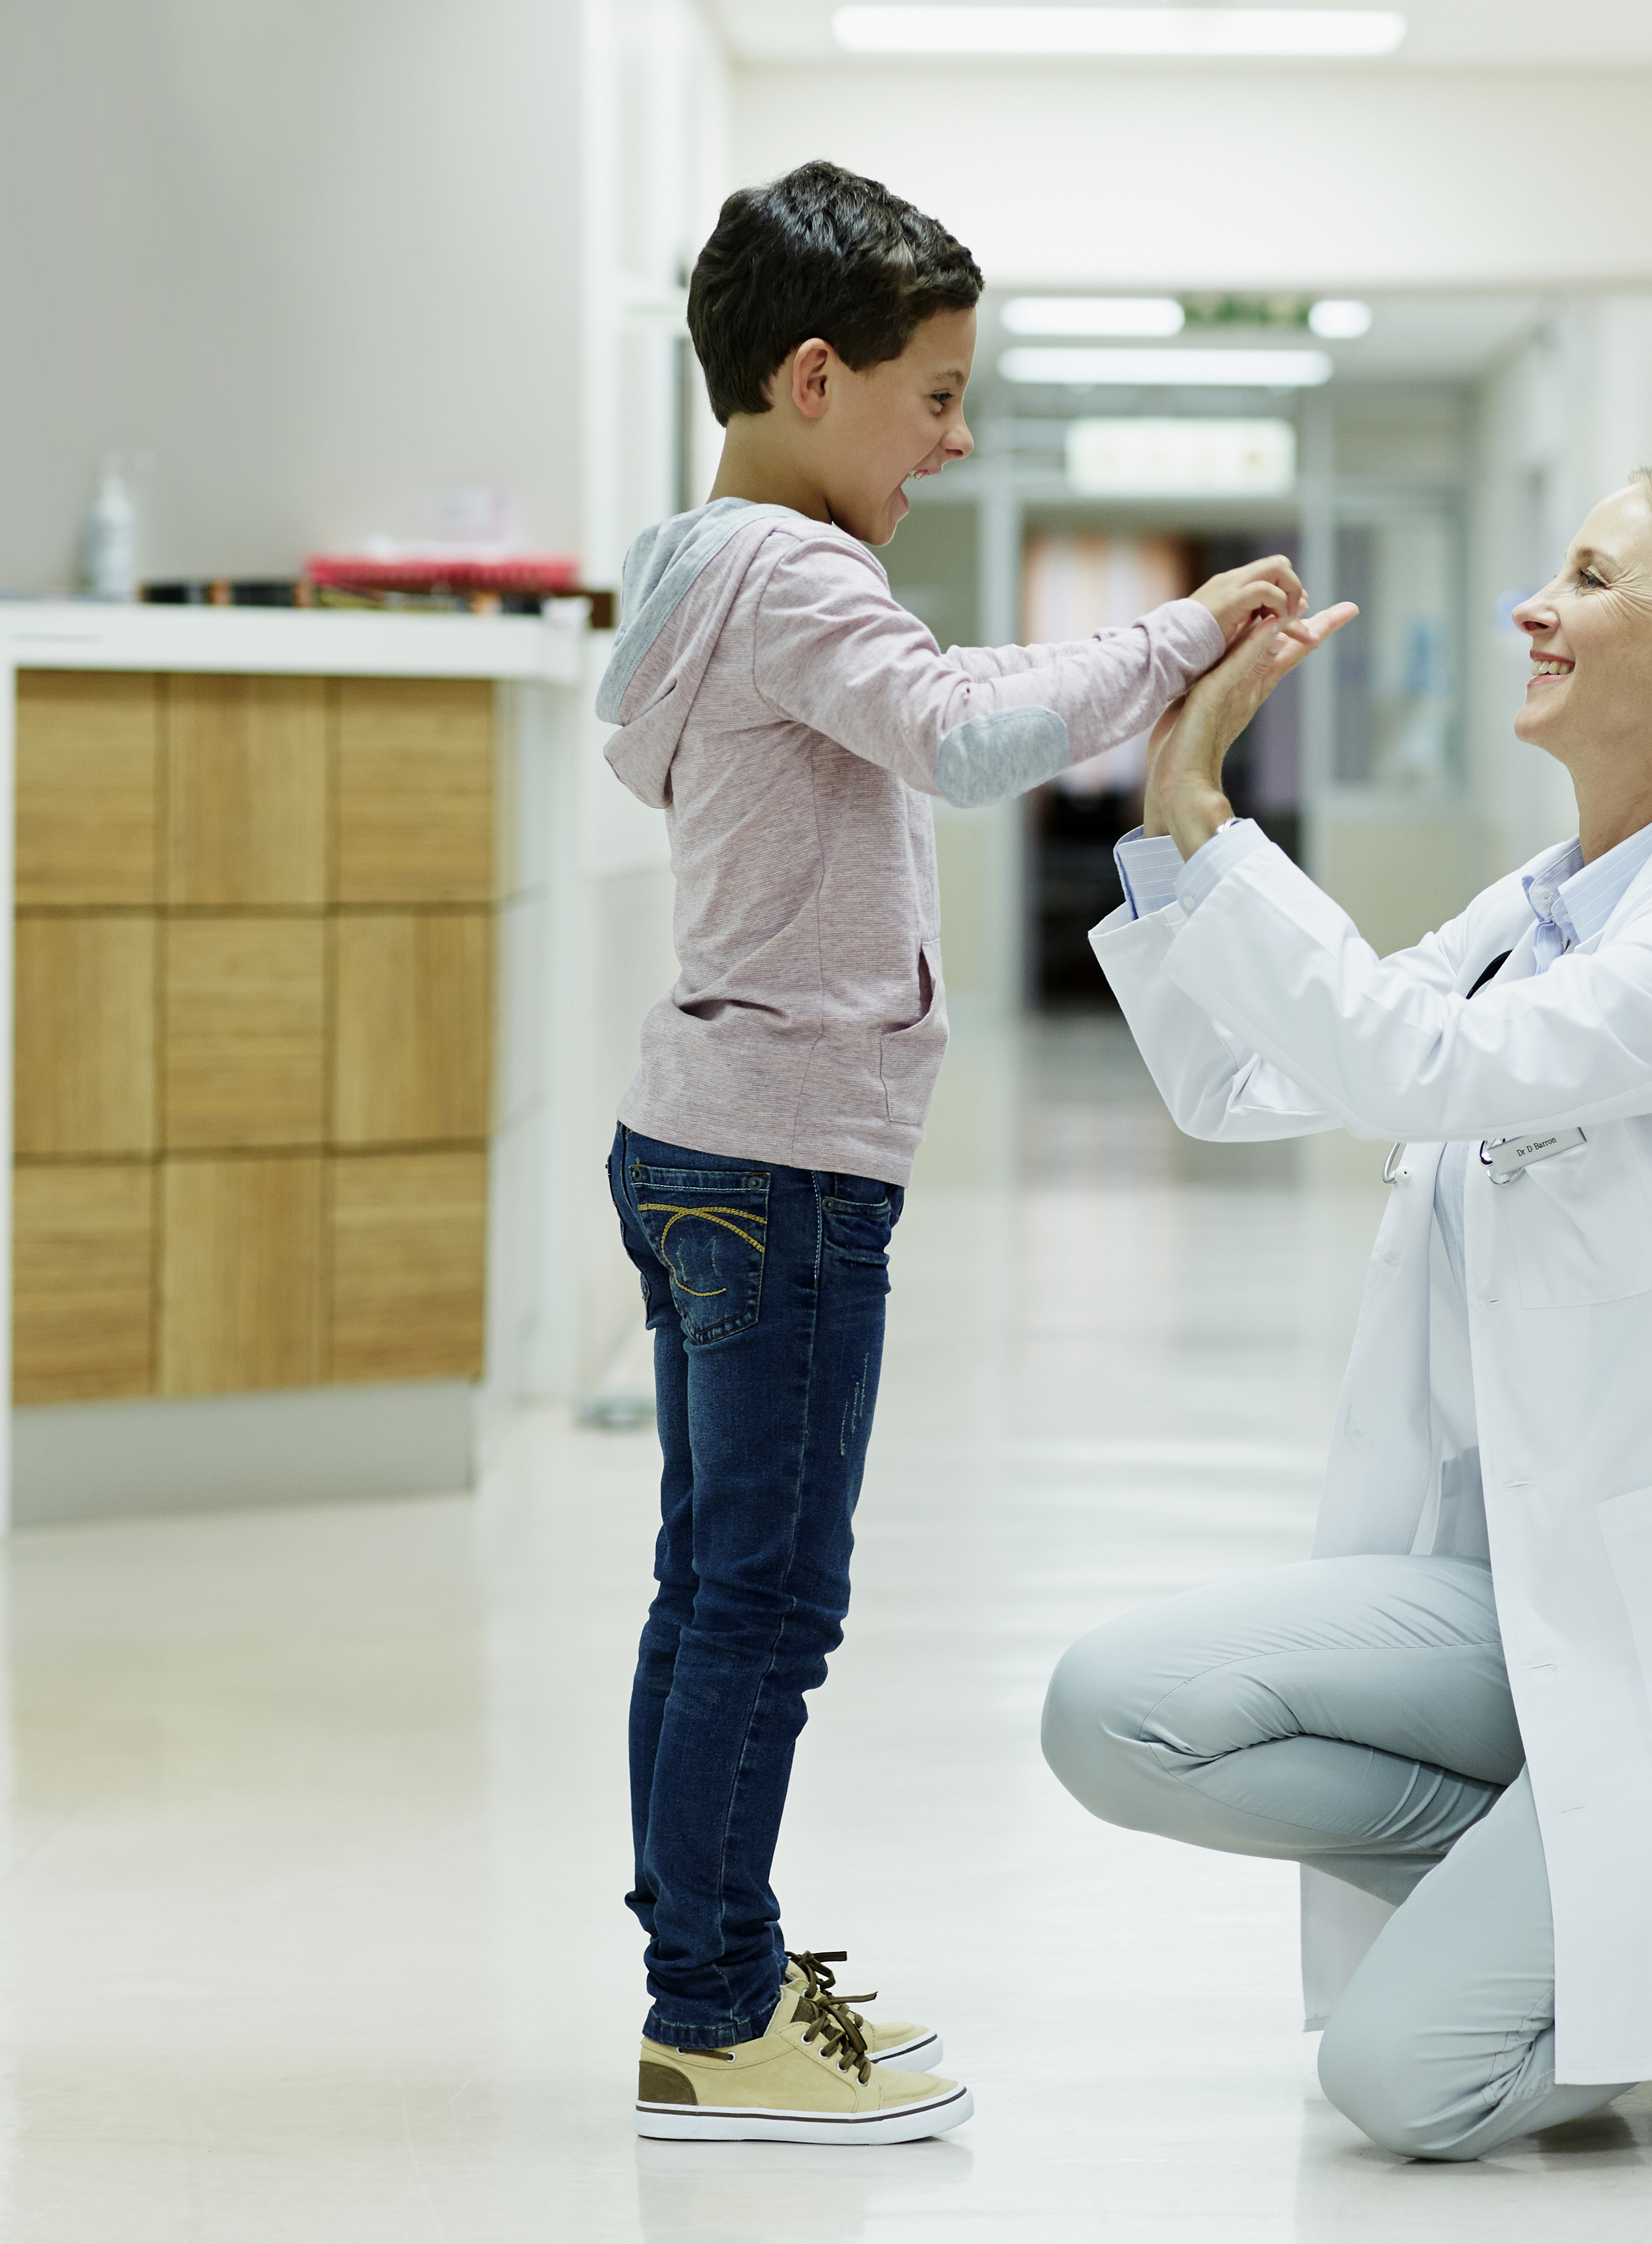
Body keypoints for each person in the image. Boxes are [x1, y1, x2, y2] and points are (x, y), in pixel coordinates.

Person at [1042, 467, 1652, 2161]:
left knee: (1407, 2085)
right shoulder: (1533, 915)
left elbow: (1423, 1068)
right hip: (1532, 1603)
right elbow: (1246, 1076)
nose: (1533, 607)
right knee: (1113, 1712)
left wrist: (1214, 809)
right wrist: (1166, 806)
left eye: (1588, 575)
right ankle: (1616, 1869)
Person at [602, 160, 1308, 2147]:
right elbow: (972, 740)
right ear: (813, 378)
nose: (956, 434)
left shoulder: (711, 568)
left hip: (706, 1141)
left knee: (707, 1593)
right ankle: (709, 2016)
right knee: (764, 1605)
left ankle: (707, 1968)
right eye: (933, 393)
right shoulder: (796, 574)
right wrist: (1175, 639)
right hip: (784, 1165)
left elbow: (949, 701)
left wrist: (1149, 652)